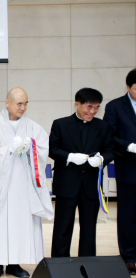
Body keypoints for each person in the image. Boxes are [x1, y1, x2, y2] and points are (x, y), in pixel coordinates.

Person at [0, 88, 54, 278]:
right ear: (7, 103)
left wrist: (32, 149)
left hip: (23, 187)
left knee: (21, 223)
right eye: (19, 103)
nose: (23, 107)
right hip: (0, 186)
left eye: (26, 103)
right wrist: (7, 150)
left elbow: (43, 149)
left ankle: (14, 263)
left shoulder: (33, 128)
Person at [49, 88, 114, 258]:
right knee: (62, 227)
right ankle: (60, 264)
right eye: (89, 107)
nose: (92, 111)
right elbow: (52, 150)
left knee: (89, 229)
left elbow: (110, 150)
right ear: (77, 104)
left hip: (91, 185)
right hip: (67, 184)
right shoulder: (60, 124)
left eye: (96, 107)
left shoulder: (103, 126)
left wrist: (101, 160)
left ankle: (87, 264)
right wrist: (69, 156)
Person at [103, 69, 136, 274]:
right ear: (128, 87)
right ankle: (129, 257)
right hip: (129, 169)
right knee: (128, 216)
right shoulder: (115, 106)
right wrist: (128, 146)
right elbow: (109, 135)